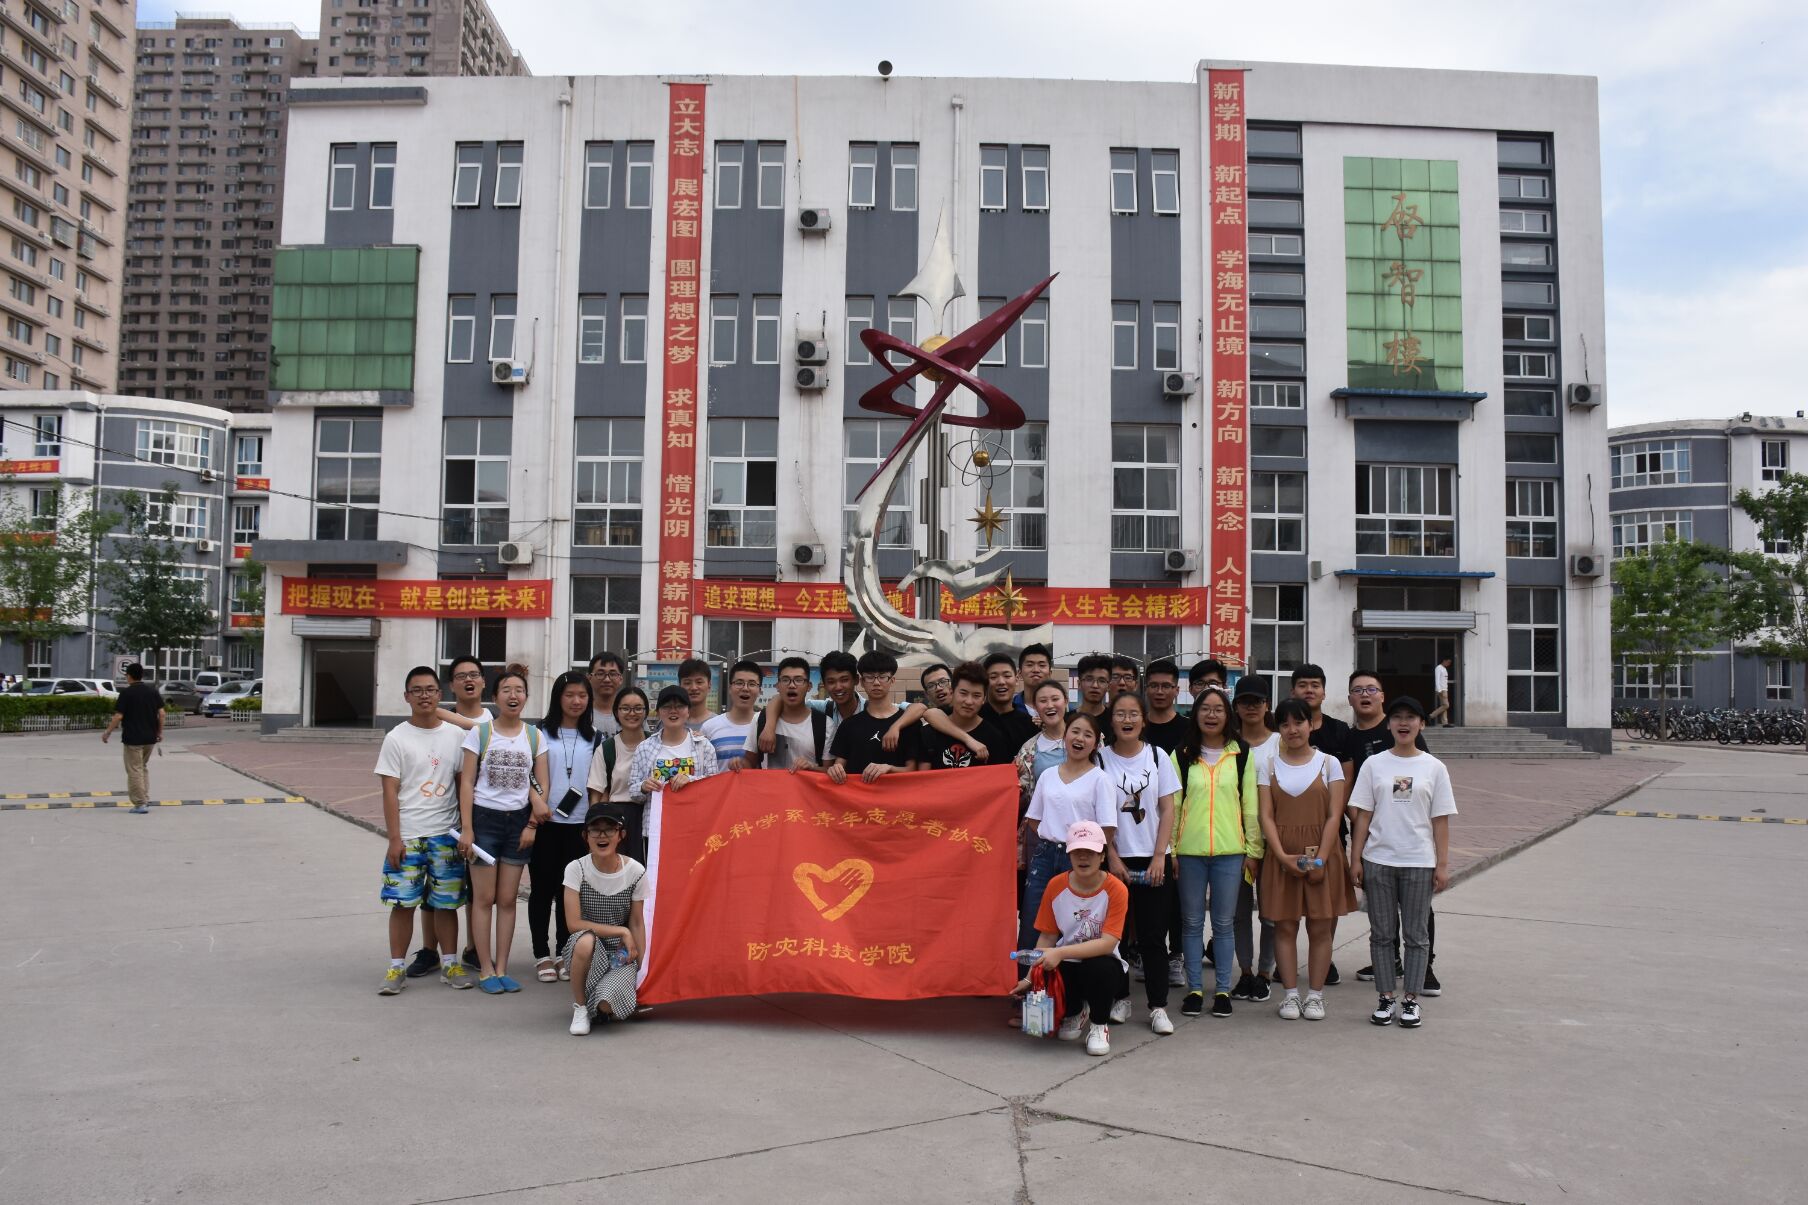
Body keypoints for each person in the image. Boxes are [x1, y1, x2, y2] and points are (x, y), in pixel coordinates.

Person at [1348, 696, 1455, 1030]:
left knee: (1416, 935)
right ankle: (1385, 998)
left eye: (1411, 717)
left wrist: (1442, 865)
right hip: (1378, 860)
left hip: (1419, 862)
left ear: (1421, 724)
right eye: (1397, 717)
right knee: (1381, 934)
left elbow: (1440, 820)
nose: (1404, 723)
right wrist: (1356, 859)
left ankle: (1410, 1000)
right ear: (1389, 724)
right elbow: (1363, 816)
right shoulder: (1374, 765)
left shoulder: (1434, 767)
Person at [375, 666, 481, 994]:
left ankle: (450, 964)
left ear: (439, 694)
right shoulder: (396, 738)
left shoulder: (455, 736)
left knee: (446, 904)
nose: (424, 696)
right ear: (407, 696)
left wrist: (466, 829)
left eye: (430, 690)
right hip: (408, 836)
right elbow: (389, 791)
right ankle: (396, 968)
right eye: (417, 690)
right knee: (402, 903)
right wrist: (394, 838)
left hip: (445, 835)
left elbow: (464, 785)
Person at [1340, 671, 1438, 993]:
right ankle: (1390, 962)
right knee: (1381, 916)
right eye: (1357, 690)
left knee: (1417, 913)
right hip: (1373, 835)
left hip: (1410, 843)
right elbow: (1352, 786)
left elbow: (1422, 786)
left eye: (1371, 689)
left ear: (1382, 696)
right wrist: (1359, 820)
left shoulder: (1403, 731)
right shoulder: (1351, 739)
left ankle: (1424, 968)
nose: (1364, 694)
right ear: (1350, 698)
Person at [1258, 698, 1355, 1021]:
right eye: (1284, 724)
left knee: (1320, 927)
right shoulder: (1269, 765)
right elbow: (1266, 816)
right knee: (1284, 926)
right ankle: (1290, 995)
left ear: (1311, 725)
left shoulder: (1329, 763)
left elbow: (1334, 815)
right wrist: (1281, 857)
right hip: (1282, 856)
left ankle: (1315, 995)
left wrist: (1321, 860)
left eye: (1298, 722)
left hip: (1322, 854)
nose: (1292, 730)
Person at [1170, 684, 1263, 1018]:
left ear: (1228, 715)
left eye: (1218, 709)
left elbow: (1250, 805)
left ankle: (1222, 989)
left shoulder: (1242, 754)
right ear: (1196, 714)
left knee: (1224, 923)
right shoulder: (1181, 754)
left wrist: (1253, 851)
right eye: (1205, 709)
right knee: (1192, 923)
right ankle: (1195, 989)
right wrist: (1171, 851)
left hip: (1230, 853)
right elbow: (1173, 806)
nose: (1211, 715)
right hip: (1189, 853)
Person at [456, 665, 550, 995]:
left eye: (519, 690)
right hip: (484, 821)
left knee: (508, 900)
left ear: (526, 697)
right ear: (495, 697)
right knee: (483, 899)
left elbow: (542, 786)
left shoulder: (534, 737)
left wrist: (532, 825)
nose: (513, 696)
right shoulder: (480, 734)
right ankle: (485, 969)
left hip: (518, 823)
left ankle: (502, 968)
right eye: (506, 690)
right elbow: (467, 783)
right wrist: (467, 829)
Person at [1011, 820, 1130, 1056]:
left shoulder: (1116, 889)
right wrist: (1028, 977)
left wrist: (1060, 952)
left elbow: (1108, 943)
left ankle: (1099, 1025)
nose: (1083, 857)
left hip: (1102, 961)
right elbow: (1047, 936)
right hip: (1066, 961)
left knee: (1101, 968)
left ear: (1102, 856)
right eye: (1077, 851)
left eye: (1090, 852)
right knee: (1048, 968)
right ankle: (1076, 1011)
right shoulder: (1055, 885)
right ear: (1069, 855)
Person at [1100, 691, 1180, 1035]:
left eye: (1134, 713)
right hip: (1114, 858)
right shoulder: (1100, 760)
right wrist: (1111, 856)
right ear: (1111, 720)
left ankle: (1158, 1006)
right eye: (1120, 714)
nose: (1127, 720)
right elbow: (1096, 812)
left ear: (1143, 720)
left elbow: (1167, 808)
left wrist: (1160, 855)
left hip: (1153, 857)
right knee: (1114, 936)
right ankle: (1120, 998)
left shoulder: (1158, 756)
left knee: (1153, 937)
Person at [1020, 711, 1116, 950]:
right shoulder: (1048, 775)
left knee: (1072, 923)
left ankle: (1064, 972)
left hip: (1080, 857)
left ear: (1096, 743)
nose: (1080, 739)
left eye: (1088, 735)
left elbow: (1107, 829)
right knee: (1033, 918)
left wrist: (1089, 852)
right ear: (1065, 736)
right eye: (1075, 731)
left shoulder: (1100, 779)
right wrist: (1051, 834)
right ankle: (1027, 972)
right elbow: (1034, 819)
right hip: (1044, 854)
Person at [528, 671, 599, 984]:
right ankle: (541, 953)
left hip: (579, 824)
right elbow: (527, 773)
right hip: (546, 822)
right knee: (542, 890)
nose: (576, 701)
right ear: (558, 698)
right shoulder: (539, 733)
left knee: (569, 892)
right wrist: (535, 807)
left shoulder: (595, 737)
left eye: (582, 695)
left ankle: (562, 951)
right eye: (569, 695)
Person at [561, 811, 649, 1035]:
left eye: (610, 829)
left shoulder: (636, 871)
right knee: (585, 941)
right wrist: (621, 931)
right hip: (587, 949)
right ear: (585, 835)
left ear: (621, 835)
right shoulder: (575, 868)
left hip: (620, 953)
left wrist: (641, 970)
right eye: (595, 830)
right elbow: (573, 924)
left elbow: (637, 922)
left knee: (606, 1004)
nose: (602, 835)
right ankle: (580, 1007)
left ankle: (600, 1004)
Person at [432, 655, 491, 975]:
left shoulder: (493, 719)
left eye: (474, 674)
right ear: (451, 685)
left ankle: (473, 948)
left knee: (475, 889)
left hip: (480, 818)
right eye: (460, 676)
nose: (468, 680)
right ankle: (429, 950)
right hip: (442, 816)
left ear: (483, 681)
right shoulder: (440, 722)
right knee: (435, 887)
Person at [1227, 677, 1278, 1001]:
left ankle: (1265, 973)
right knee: (1238, 912)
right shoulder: (1227, 745)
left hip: (1272, 842)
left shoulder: (1280, 744)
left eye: (1257, 701)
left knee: (1271, 912)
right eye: (1244, 701)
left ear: (1267, 705)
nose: (1251, 707)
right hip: (1234, 839)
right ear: (1236, 707)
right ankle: (1245, 973)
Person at [826, 649, 917, 782]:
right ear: (861, 681)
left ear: (892, 680)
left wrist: (889, 768)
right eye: (870, 677)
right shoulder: (848, 725)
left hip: (897, 794)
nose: (876, 682)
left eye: (882, 677)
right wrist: (834, 770)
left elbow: (914, 770)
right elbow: (839, 766)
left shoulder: (908, 723)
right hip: (858, 795)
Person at [587, 686, 652, 862]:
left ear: (646, 712)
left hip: (650, 816)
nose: (632, 713)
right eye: (625, 708)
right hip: (616, 819)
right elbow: (596, 794)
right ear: (616, 712)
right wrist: (596, 828)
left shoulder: (657, 743)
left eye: (638, 708)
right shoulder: (606, 748)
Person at [757, 649, 860, 759]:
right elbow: (781, 699)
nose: (838, 687)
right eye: (831, 682)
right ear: (824, 684)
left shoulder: (869, 711)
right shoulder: (822, 708)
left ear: (856, 680)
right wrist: (769, 727)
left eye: (844, 680)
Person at [628, 685, 720, 803]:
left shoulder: (704, 746)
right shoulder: (644, 748)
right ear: (658, 712)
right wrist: (643, 786)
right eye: (666, 706)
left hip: (695, 813)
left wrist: (690, 780)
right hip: (657, 814)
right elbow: (633, 792)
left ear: (688, 711)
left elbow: (714, 785)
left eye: (680, 706)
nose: (673, 711)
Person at [743, 657, 831, 771]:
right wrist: (739, 764)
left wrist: (811, 767)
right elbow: (749, 762)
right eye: (785, 680)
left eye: (798, 680)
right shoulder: (760, 719)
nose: (792, 685)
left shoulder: (825, 724)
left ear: (809, 686)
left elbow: (829, 770)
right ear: (778, 686)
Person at [917, 661, 1010, 769]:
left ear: (984, 699)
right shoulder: (930, 732)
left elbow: (998, 775)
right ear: (952, 691)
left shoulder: (994, 737)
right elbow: (923, 777)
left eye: (976, 695)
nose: (969, 701)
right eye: (963, 693)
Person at [100, 662, 162, 814]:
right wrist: (159, 732)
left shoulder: (126, 693)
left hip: (133, 738)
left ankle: (140, 803)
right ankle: (144, 798)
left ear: (129, 676)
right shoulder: (152, 692)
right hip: (150, 738)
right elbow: (162, 713)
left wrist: (107, 732)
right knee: (142, 767)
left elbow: (118, 716)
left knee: (134, 769)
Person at [701, 659, 762, 769]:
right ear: (730, 688)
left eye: (752, 684)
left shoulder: (765, 725)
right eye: (739, 683)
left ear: (759, 690)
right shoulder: (709, 727)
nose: (745, 688)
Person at [981, 652, 1039, 751]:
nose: (1001, 682)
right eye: (993, 677)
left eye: (1007, 676)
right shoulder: (974, 718)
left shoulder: (1029, 724)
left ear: (1016, 679)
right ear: (985, 682)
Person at [1291, 663, 1350, 757]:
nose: (1309, 690)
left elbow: (1346, 766)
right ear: (1293, 693)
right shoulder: (1282, 731)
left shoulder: (1340, 729)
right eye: (1302, 686)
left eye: (1315, 686)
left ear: (1324, 694)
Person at [1140, 659, 1189, 753]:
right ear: (1146, 689)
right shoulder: (1136, 726)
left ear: (1177, 690)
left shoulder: (1190, 729)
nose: (1159, 692)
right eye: (1154, 685)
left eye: (1166, 686)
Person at [586, 652, 627, 738]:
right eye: (600, 674)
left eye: (613, 674)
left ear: (620, 679)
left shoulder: (632, 713)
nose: (607, 679)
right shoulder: (580, 713)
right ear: (589, 678)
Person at [1011, 644, 1053, 712]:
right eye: (1029, 665)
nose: (1036, 670)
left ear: (1050, 673)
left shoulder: (1059, 708)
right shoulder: (1010, 708)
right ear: (1019, 673)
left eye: (1042, 665)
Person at [678, 657, 713, 730]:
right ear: (680, 686)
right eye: (687, 683)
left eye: (699, 682)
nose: (693, 688)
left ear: (709, 685)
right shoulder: (668, 722)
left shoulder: (718, 723)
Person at [1429, 656, 1455, 727]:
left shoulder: (1444, 668)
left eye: (1450, 663)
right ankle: (1431, 716)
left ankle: (1445, 723)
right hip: (1441, 690)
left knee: (1443, 706)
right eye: (1448, 662)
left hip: (1445, 689)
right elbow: (1437, 680)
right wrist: (1439, 690)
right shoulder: (1438, 668)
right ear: (1444, 660)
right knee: (1446, 705)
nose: (1449, 664)